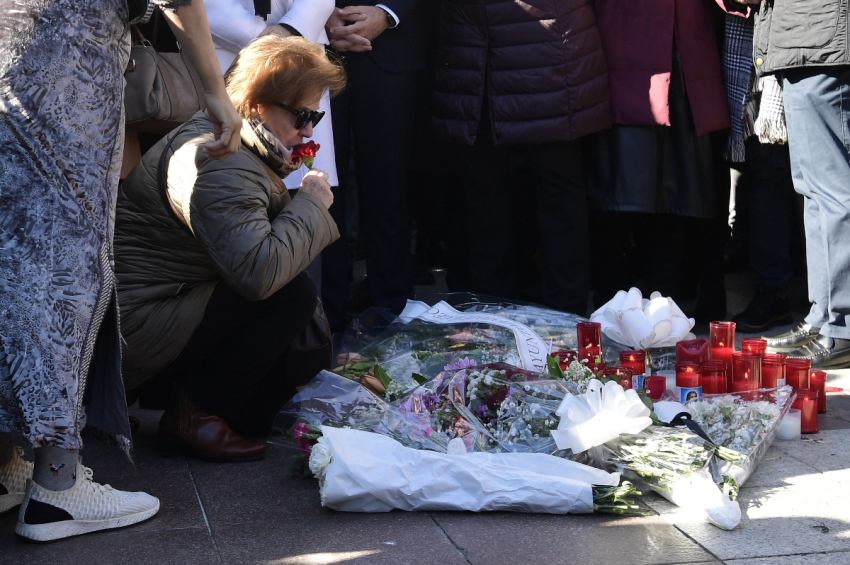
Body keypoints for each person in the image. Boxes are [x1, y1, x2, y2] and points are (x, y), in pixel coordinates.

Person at [0, 0, 241, 541]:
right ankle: (56, 489)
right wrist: (214, 93)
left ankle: (8, 464)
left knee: (13, 262)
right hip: (68, 82)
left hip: (10, 69)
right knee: (63, 275)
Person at [114, 35, 345, 462]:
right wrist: (311, 203)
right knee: (288, 294)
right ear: (257, 104)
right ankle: (197, 416)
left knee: (258, 415)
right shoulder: (221, 161)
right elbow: (259, 274)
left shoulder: (234, 140)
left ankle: (216, 408)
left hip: (163, 307)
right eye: (302, 116)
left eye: (316, 115)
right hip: (140, 328)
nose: (310, 130)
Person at [432, 0, 610, 315]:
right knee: (485, 195)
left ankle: (559, 321)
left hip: (543, 46)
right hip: (481, 48)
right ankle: (500, 318)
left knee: (550, 193)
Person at [723, 0, 850, 367]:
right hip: (803, 41)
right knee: (813, 192)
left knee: (833, 193)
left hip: (821, 39)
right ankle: (823, 316)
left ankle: (841, 324)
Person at [586, 0, 731, 320]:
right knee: (637, 194)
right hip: (637, 48)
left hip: (679, 49)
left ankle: (661, 314)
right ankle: (636, 313)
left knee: (673, 194)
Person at [321, 0, 429, 332]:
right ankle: (324, 316)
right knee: (320, 183)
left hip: (392, 46)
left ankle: (393, 313)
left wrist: (388, 12)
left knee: (389, 184)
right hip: (313, 42)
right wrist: (315, 12)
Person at [719, 12, 796, 333]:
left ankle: (772, 291)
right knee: (750, 166)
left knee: (768, 169)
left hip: (782, 46)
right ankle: (751, 258)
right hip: (745, 46)